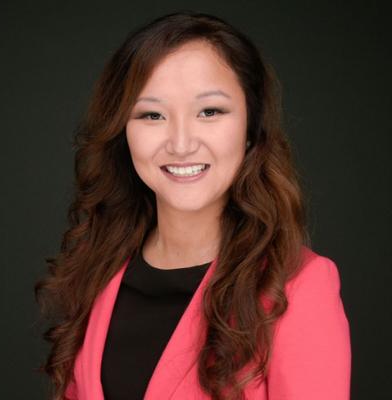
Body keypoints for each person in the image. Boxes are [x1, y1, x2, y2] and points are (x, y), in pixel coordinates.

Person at [34, 10, 351, 400]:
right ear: (122, 131)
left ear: (250, 127)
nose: (181, 144)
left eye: (209, 112)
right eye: (152, 114)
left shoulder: (300, 286)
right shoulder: (98, 269)